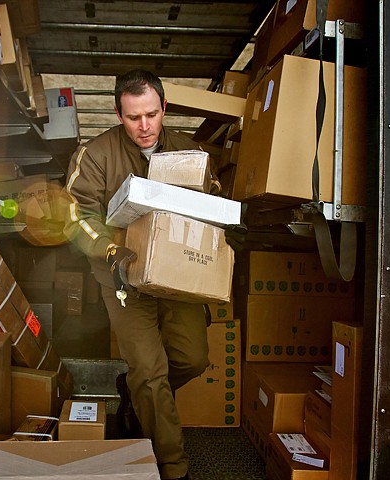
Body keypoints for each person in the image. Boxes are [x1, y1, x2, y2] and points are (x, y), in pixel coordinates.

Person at [63, 69, 246, 480]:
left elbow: (212, 205)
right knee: (149, 369)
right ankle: (172, 465)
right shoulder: (95, 155)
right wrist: (111, 251)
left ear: (164, 107)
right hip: (122, 274)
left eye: (150, 114)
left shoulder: (189, 152)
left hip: (175, 274)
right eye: (132, 118)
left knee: (192, 358)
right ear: (118, 113)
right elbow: (75, 217)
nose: (143, 127)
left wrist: (227, 222)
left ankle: (135, 393)